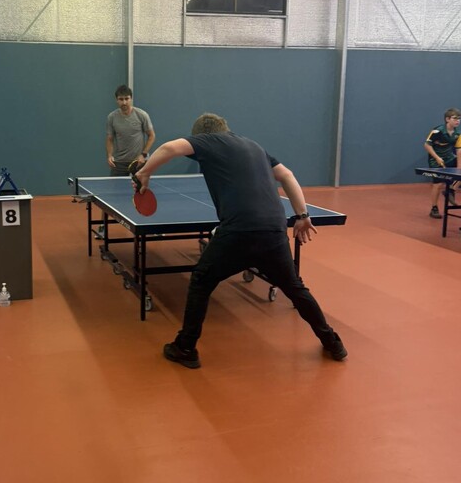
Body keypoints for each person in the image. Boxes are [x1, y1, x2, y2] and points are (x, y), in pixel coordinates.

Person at [134, 113, 347, 369]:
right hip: (273, 229)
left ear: (203, 135)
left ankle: (186, 347)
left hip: (239, 229)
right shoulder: (254, 146)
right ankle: (332, 342)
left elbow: (170, 147)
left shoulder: (208, 140)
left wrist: (144, 172)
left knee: (201, 281)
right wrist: (302, 215)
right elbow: (287, 175)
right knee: (295, 289)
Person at [106, 85, 155, 176]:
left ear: (131, 99)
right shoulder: (111, 117)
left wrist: (143, 155)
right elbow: (109, 138)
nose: (124, 102)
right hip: (119, 162)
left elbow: (151, 136)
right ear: (117, 100)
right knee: (116, 185)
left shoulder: (142, 115)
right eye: (121, 99)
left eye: (127, 99)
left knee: (141, 185)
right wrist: (109, 155)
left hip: (139, 161)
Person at [424, 108, 461, 219]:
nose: (458, 121)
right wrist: (437, 158)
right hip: (435, 160)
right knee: (438, 184)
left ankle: (451, 190)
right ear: (447, 119)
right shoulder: (437, 131)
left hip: (450, 158)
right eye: (455, 118)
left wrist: (459, 166)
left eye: (459, 119)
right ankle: (434, 208)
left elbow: (459, 150)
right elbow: (427, 145)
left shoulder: (458, 133)